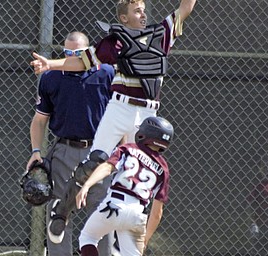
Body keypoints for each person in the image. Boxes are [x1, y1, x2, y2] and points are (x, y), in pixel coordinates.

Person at [30, 0, 197, 244]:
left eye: (143, 10)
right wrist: (49, 64)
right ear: (124, 18)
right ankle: (61, 213)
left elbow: (186, 8)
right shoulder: (115, 42)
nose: (142, 14)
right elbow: (81, 62)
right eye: (136, 11)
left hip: (147, 116)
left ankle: (125, 238)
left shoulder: (161, 34)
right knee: (95, 159)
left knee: (138, 172)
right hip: (120, 107)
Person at [26, 31, 116, 256]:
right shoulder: (52, 77)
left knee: (103, 212)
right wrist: (36, 151)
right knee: (58, 214)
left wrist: (122, 153)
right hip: (65, 150)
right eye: (67, 52)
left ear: (88, 54)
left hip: (100, 152)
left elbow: (118, 117)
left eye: (77, 53)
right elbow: (39, 120)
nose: (71, 57)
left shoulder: (105, 73)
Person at [75, 116, 174, 256]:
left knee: (88, 237)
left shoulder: (129, 149)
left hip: (114, 204)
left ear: (145, 133)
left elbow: (107, 167)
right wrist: (146, 238)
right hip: (137, 214)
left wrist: (87, 185)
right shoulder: (163, 168)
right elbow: (157, 213)